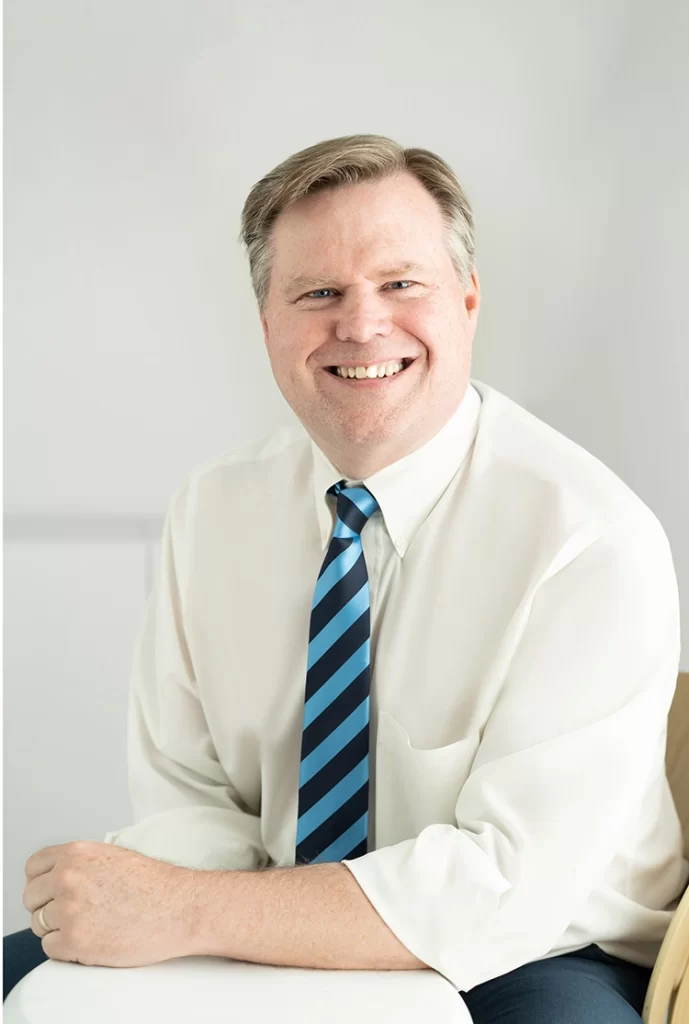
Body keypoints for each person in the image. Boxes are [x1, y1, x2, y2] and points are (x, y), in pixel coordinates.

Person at [5, 134, 688, 1023]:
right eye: (318, 293)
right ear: (267, 325)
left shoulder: (589, 537)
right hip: (255, 927)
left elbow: (506, 888)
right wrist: (187, 924)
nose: (362, 325)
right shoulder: (213, 511)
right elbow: (191, 802)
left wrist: (178, 909)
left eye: (402, 284)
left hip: (531, 957)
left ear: (468, 300)